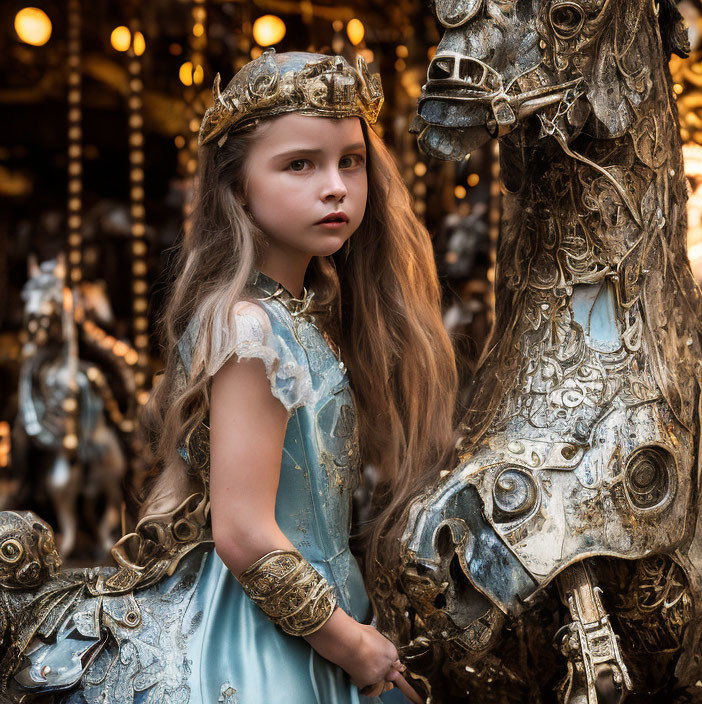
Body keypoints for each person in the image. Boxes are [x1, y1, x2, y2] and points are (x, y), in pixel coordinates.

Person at [0, 49, 457, 704]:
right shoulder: (251, 329)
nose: (335, 186)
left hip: (315, 616)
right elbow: (243, 532)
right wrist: (353, 646)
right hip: (264, 639)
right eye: (300, 164)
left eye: (348, 162)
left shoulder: (293, 319)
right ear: (238, 186)